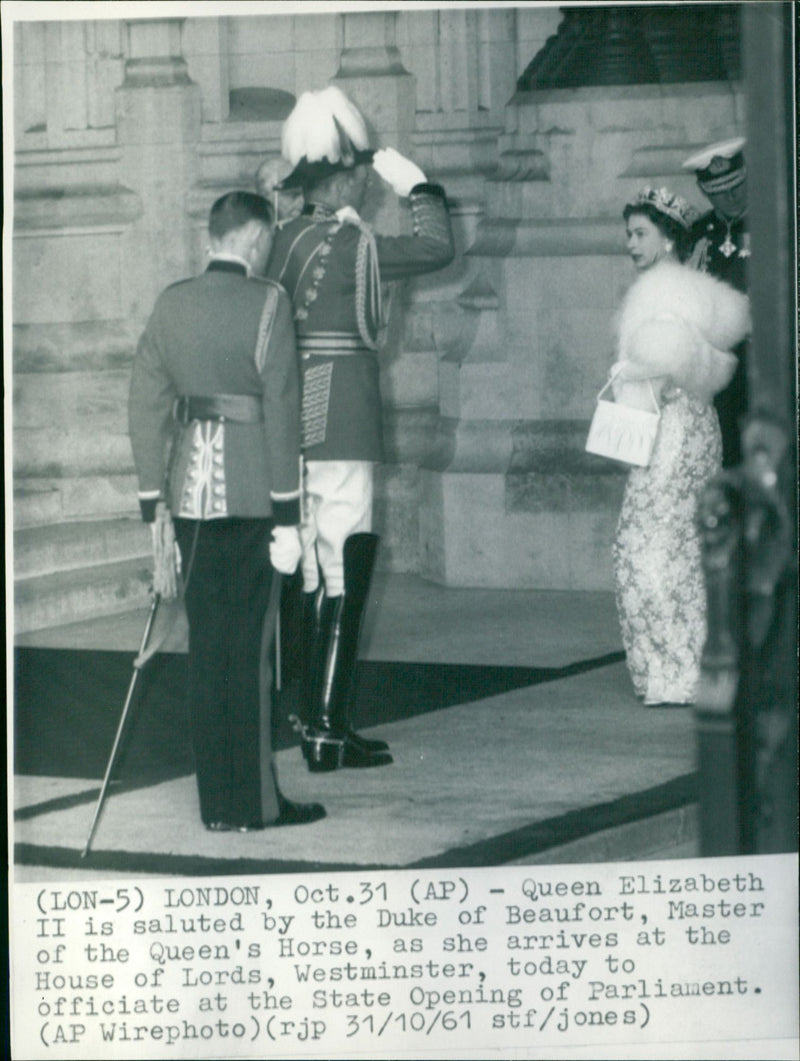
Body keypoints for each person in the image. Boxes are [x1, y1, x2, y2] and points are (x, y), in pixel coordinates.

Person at [265, 86, 455, 772]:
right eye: (358, 172)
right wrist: (421, 187)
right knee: (345, 565)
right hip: (342, 415)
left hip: (293, 421)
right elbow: (437, 246)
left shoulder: (284, 237)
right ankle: (325, 727)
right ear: (344, 174)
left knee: (311, 567)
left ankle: (308, 712)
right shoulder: (352, 243)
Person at [128, 191, 326, 830]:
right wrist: (289, 516)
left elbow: (145, 404)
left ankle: (217, 802)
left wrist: (152, 499)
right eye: (266, 241)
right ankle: (251, 805)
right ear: (253, 238)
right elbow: (283, 410)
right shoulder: (268, 302)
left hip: (188, 498)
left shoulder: (171, 302)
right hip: (251, 499)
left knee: (209, 653)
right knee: (248, 656)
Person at [611, 186, 750, 706]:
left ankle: (678, 668)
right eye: (628, 234)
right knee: (674, 546)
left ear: (669, 239)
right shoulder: (676, 287)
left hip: (672, 430)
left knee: (648, 545)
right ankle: (687, 665)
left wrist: (631, 370)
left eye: (640, 233)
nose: (630, 243)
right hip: (686, 427)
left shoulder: (665, 292)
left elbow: (668, 366)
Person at [682, 138, 749, 467]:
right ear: (706, 192)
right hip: (718, 368)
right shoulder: (698, 234)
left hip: (764, 360)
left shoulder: (776, 223)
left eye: (738, 186)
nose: (733, 197)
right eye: (721, 191)